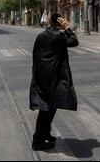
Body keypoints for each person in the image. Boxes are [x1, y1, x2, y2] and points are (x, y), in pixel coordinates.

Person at [29, 13, 79, 151]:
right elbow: (74, 41)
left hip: (42, 76)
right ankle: (37, 141)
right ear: (60, 22)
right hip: (54, 76)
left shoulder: (41, 36)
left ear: (50, 22)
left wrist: (36, 75)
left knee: (51, 106)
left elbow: (35, 56)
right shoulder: (59, 36)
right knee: (46, 109)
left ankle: (45, 133)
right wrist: (68, 28)